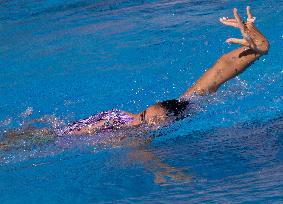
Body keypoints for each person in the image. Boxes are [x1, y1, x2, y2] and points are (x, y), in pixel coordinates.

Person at [3, 6, 269, 139]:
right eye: (143, 116)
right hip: (105, 125)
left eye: (147, 123)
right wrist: (257, 46)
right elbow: (222, 68)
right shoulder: (183, 105)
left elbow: (226, 68)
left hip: (109, 129)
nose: (141, 124)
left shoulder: (185, 106)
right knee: (45, 137)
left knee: (44, 135)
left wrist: (258, 44)